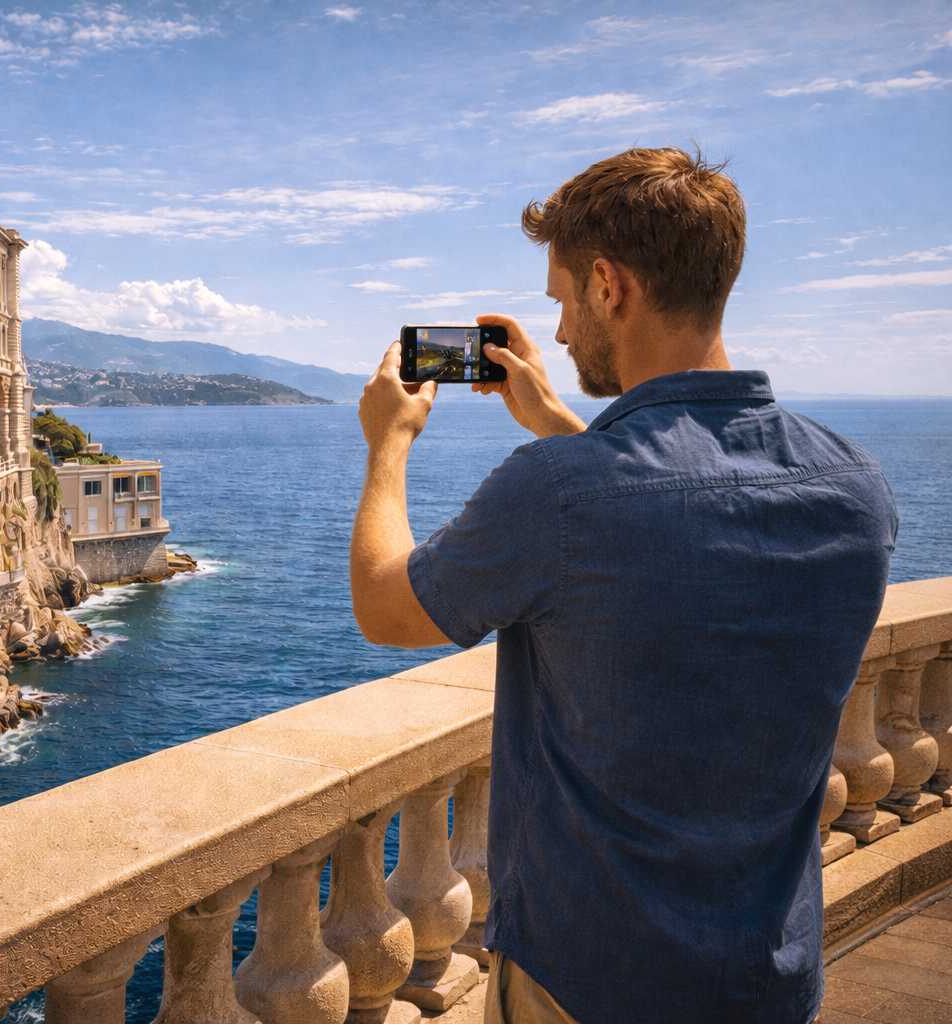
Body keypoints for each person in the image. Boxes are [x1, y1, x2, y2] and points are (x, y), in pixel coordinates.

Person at [349, 148, 897, 1024]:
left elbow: (385, 606)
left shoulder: (560, 492)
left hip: (590, 982)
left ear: (609, 285)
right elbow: (680, 520)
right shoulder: (853, 487)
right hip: (770, 980)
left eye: (564, 300)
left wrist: (388, 443)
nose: (562, 333)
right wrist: (560, 424)